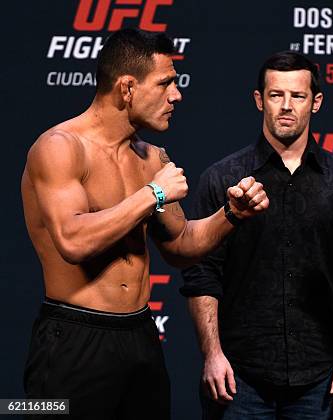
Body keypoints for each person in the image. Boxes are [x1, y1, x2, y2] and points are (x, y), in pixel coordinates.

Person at [21, 28, 268, 420]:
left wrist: (231, 215)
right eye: (166, 83)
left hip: (140, 337)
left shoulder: (151, 158)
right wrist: (151, 194)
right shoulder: (59, 148)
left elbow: (182, 246)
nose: (177, 95)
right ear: (127, 88)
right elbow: (73, 241)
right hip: (72, 340)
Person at [181, 51, 333, 419]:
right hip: (237, 377)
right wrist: (212, 354)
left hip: (320, 377)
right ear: (260, 100)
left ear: (315, 102)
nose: (286, 106)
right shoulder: (222, 179)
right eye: (276, 95)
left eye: (298, 96)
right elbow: (202, 275)